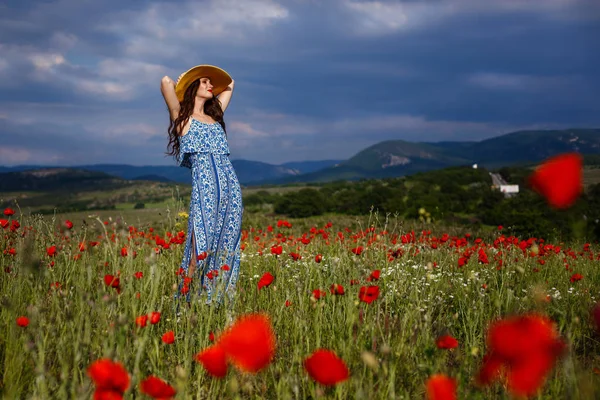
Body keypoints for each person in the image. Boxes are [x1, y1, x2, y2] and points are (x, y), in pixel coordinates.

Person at [160, 65, 242, 306]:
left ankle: (216, 301)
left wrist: (206, 78)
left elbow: (230, 84)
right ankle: (183, 305)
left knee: (227, 244)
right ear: (193, 86)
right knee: (200, 247)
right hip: (205, 189)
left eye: (210, 83)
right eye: (205, 82)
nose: (210, 86)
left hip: (230, 188)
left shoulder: (215, 116)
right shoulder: (182, 118)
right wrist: (187, 78)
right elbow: (165, 81)